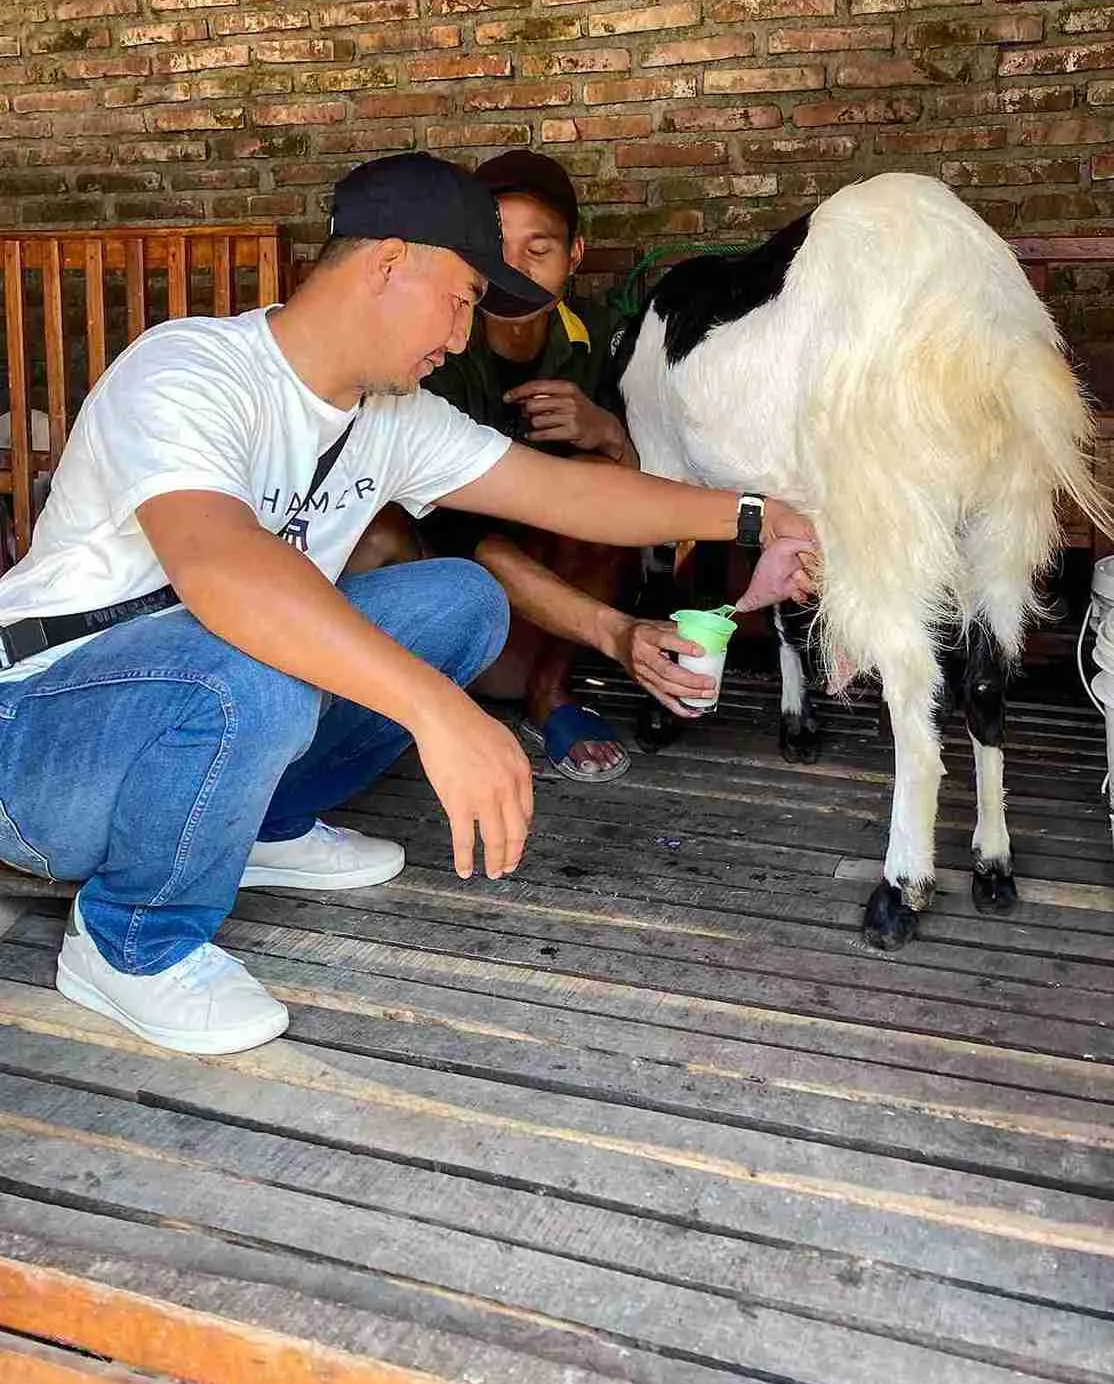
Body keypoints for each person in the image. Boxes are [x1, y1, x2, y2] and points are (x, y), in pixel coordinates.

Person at [0, 152, 815, 1059]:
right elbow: (222, 569)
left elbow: (561, 494)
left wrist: (756, 513)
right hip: (38, 742)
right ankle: (129, 942)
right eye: (462, 297)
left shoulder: (388, 414)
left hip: (193, 705)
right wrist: (440, 712)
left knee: (461, 601)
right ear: (390, 264)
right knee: (253, 660)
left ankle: (258, 826)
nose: (465, 338)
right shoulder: (192, 369)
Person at [359, 150, 798, 784]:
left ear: (576, 255)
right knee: (388, 530)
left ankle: (550, 694)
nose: (513, 270)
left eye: (538, 249)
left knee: (603, 474)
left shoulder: (607, 340)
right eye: (496, 248)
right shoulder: (438, 349)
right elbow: (455, 529)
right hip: (453, 579)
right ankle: (432, 700)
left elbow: (652, 498)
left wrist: (609, 434)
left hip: (555, 609)